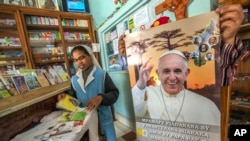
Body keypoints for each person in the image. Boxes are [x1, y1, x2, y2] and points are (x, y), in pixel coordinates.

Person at [132, 50, 220, 125]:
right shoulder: (148, 93)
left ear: (186, 74)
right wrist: (140, 84)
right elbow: (136, 113)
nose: (172, 77)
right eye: (166, 71)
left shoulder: (206, 105)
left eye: (177, 71)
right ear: (158, 74)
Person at [59, 45, 119, 141]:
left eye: (82, 57)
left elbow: (114, 93)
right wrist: (66, 98)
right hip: (85, 120)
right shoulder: (74, 79)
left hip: (103, 118)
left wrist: (101, 98)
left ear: (90, 56)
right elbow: (75, 99)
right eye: (76, 60)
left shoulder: (102, 74)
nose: (79, 62)